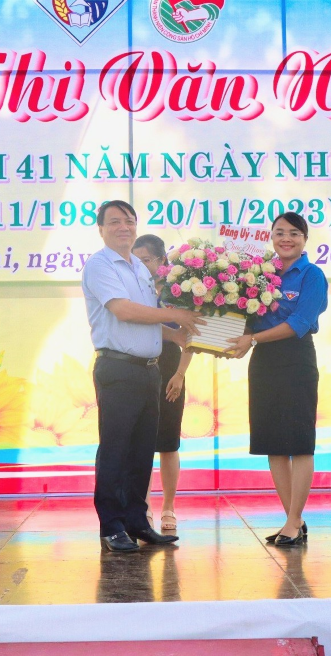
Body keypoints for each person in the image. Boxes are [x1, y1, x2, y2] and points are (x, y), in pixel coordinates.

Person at [82, 200, 204, 552]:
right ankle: (112, 526)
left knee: (141, 452)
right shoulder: (100, 265)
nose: (124, 227)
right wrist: (174, 316)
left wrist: (176, 336)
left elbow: (147, 318)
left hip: (150, 370)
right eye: (114, 221)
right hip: (118, 369)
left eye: (129, 220)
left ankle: (137, 521)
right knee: (116, 450)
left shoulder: (139, 267)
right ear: (101, 229)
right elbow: (123, 311)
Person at [228, 212, 328, 548]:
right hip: (264, 363)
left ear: (304, 239)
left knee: (298, 443)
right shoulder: (259, 273)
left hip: (296, 359)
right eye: (280, 232)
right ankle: (293, 521)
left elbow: (301, 322)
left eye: (294, 233)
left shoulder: (312, 275)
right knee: (273, 443)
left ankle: (293, 521)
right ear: (271, 237)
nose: (286, 238)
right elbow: (245, 315)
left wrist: (253, 339)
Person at [132, 234, 194, 532]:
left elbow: (191, 336)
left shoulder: (178, 291)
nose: (141, 266)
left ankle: (169, 506)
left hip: (170, 365)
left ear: (162, 260)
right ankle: (142, 507)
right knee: (140, 442)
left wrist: (180, 374)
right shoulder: (133, 291)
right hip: (139, 365)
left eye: (146, 260)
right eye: (136, 261)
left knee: (168, 443)